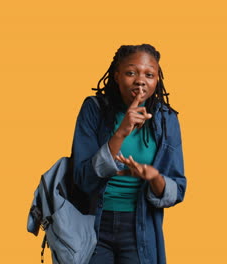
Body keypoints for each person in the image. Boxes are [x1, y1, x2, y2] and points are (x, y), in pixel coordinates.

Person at [71, 44, 187, 264]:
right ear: (116, 76)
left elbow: (177, 188)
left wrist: (154, 177)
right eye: (131, 72)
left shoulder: (166, 119)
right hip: (93, 225)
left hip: (141, 227)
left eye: (149, 74)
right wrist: (121, 132)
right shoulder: (94, 110)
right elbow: (83, 180)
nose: (140, 80)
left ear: (157, 80)